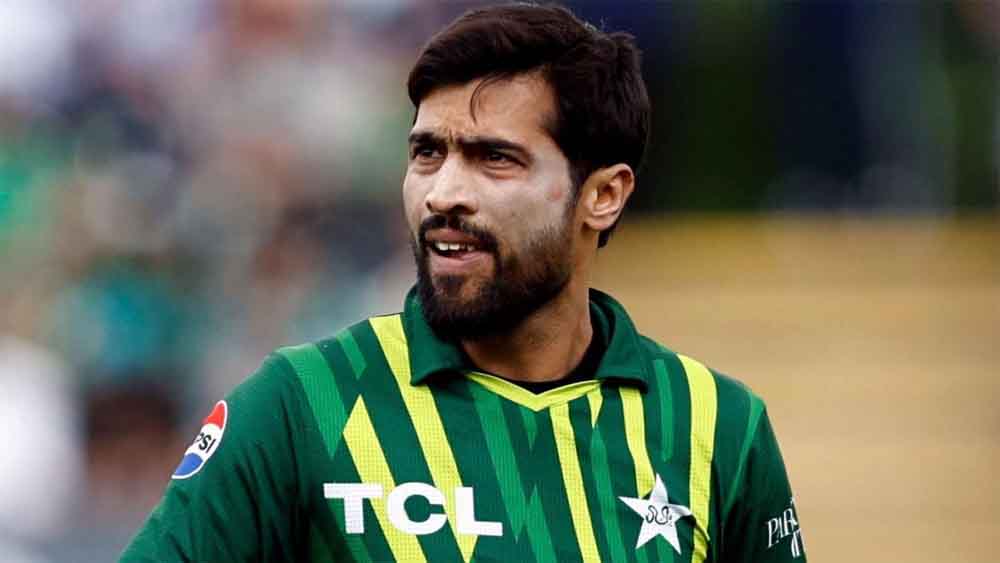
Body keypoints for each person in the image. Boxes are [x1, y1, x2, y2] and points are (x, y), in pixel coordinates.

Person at [121, 4, 806, 562]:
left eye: (494, 158)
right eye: (427, 152)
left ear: (603, 195)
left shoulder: (718, 427)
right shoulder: (302, 404)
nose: (443, 193)